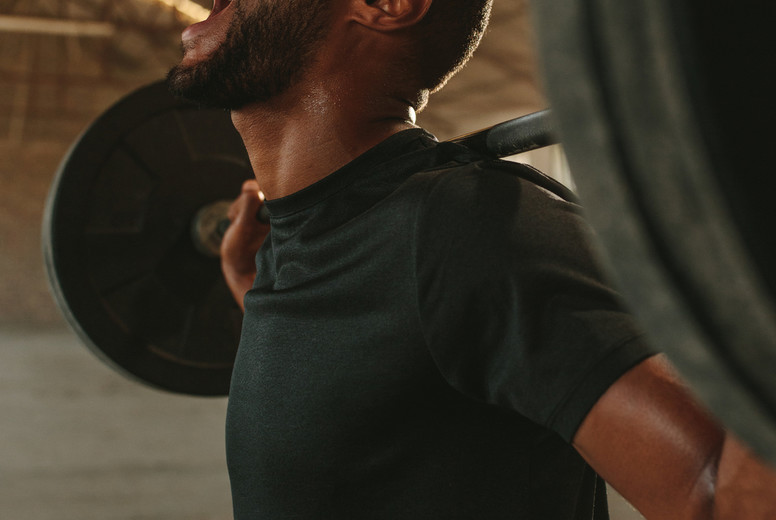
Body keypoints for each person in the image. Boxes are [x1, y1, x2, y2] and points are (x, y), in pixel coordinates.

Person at [167, 0, 776, 518]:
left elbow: (716, 499)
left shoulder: (470, 227)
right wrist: (251, 285)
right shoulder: (309, 237)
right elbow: (370, 359)